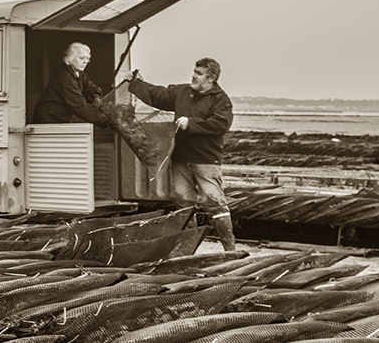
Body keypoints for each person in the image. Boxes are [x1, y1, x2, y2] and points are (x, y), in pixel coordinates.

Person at [125, 58, 237, 251]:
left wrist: (190, 123)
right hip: (180, 159)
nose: (193, 75)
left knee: (214, 202)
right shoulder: (181, 92)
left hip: (206, 160)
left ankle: (230, 250)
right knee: (183, 202)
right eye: (194, 71)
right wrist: (136, 83)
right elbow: (157, 94)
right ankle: (187, 250)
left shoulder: (221, 99)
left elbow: (220, 125)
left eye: (199, 73)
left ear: (211, 78)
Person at [33, 42, 108, 127]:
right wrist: (105, 120)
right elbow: (78, 104)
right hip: (48, 120)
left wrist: (96, 97)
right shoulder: (65, 77)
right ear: (70, 59)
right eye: (81, 58)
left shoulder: (79, 73)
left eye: (87, 58)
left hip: (60, 119)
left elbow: (90, 87)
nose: (85, 62)